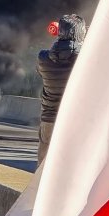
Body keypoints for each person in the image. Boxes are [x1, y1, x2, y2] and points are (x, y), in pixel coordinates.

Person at [37, 14, 85, 164]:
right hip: (75, 121)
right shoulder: (86, 57)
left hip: (49, 118)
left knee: (42, 171)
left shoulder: (43, 57)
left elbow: (59, 54)